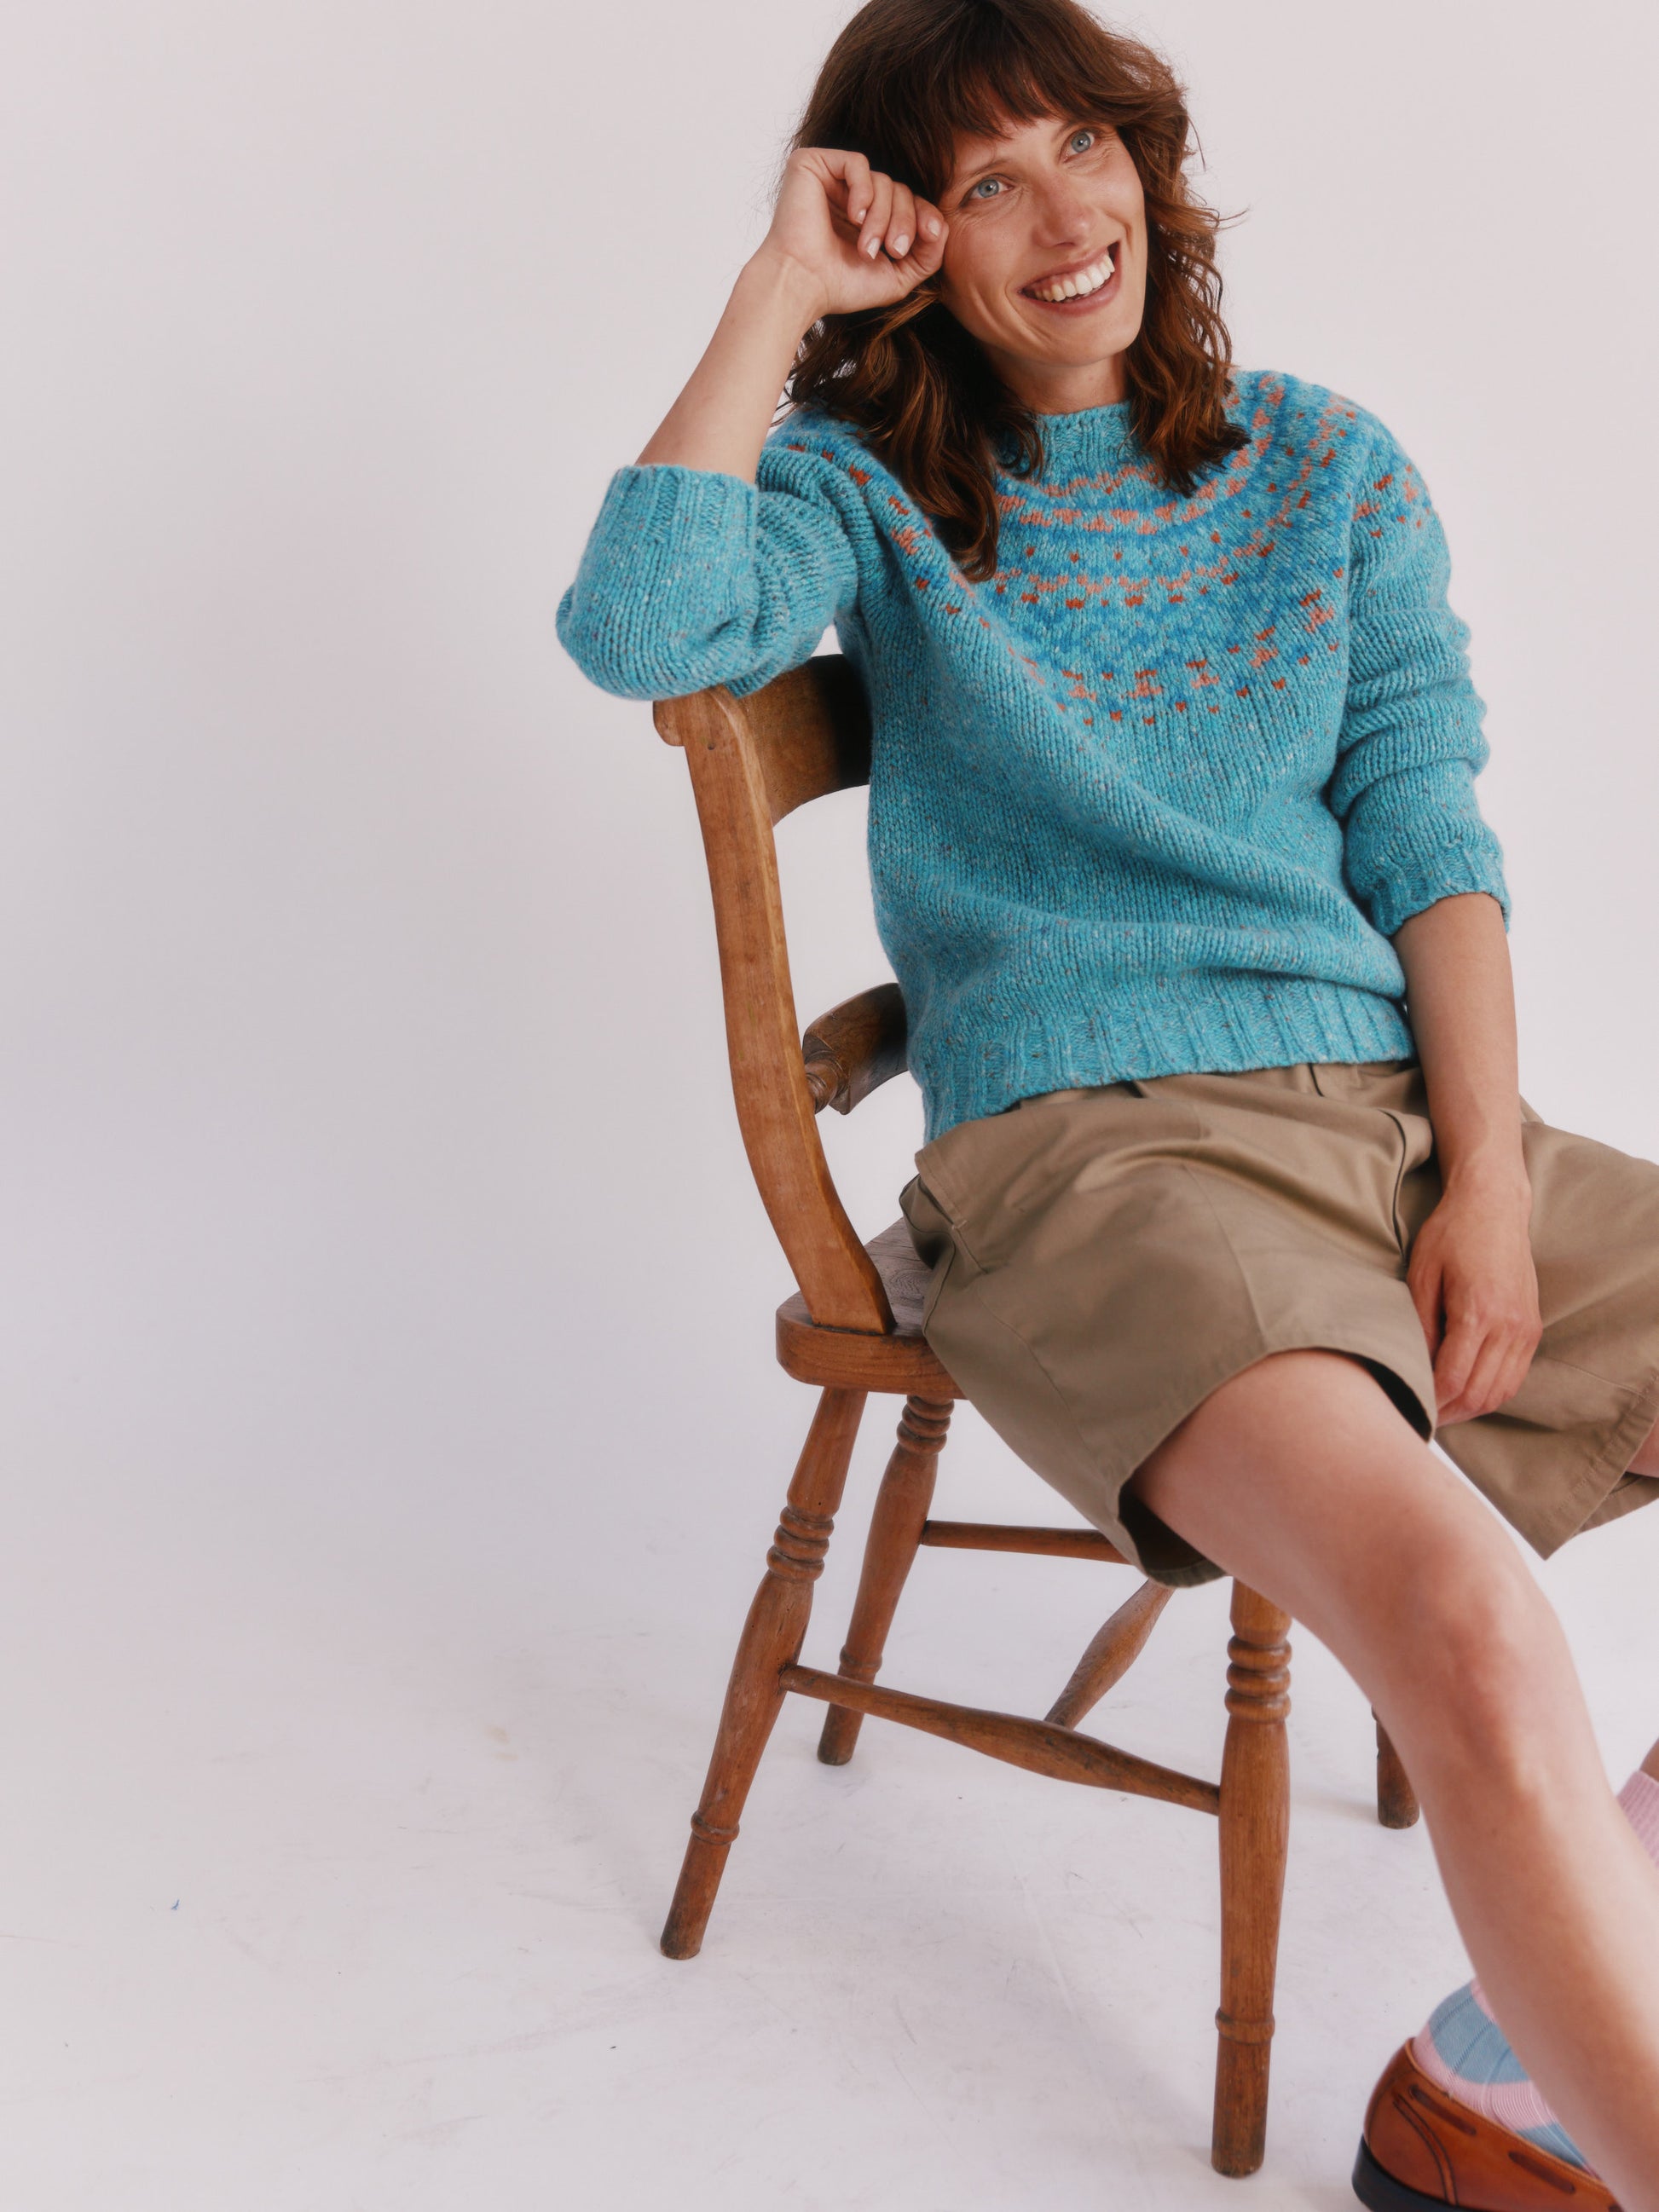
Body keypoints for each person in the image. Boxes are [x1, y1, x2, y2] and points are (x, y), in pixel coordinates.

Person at [556, 0, 1659, 2201]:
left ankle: (1517, 2040)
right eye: (984, 180)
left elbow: (1427, 838)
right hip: (1095, 1161)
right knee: (1463, 1635)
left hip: (1384, 1117)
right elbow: (641, 627)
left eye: (1084, 144)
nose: (1065, 212)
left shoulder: (1325, 466)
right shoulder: (866, 491)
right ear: (913, 241)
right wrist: (779, 288)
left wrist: (1488, 1182)